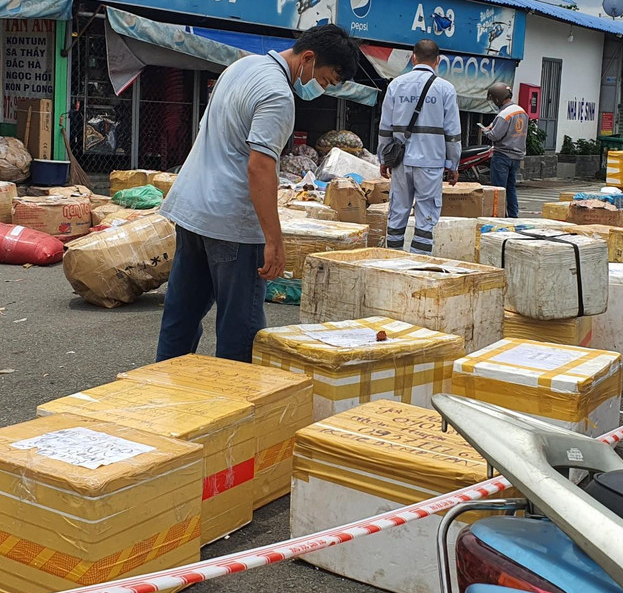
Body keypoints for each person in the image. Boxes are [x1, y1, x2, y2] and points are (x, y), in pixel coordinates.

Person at [157, 24, 358, 362]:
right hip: (232, 223)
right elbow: (260, 167)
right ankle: (238, 408)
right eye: (324, 80)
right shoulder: (278, 95)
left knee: (180, 318)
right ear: (308, 58)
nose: (320, 88)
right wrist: (274, 240)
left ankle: (157, 396)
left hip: (192, 210)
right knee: (241, 332)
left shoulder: (241, 67)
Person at [379, 39, 460, 254]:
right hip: (431, 162)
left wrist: (382, 158)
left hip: (400, 160)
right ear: (438, 61)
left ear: (413, 57)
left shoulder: (396, 85)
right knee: (426, 213)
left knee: (398, 210)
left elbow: (385, 127)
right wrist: (453, 164)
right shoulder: (446, 89)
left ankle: (392, 258)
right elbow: (453, 133)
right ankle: (419, 264)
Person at [482, 82, 527, 217]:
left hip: (502, 156)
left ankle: (500, 216)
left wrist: (486, 131)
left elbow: (495, 135)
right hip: (517, 156)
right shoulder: (521, 111)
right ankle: (513, 216)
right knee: (511, 188)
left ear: (497, 98)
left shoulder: (504, 114)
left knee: (499, 190)